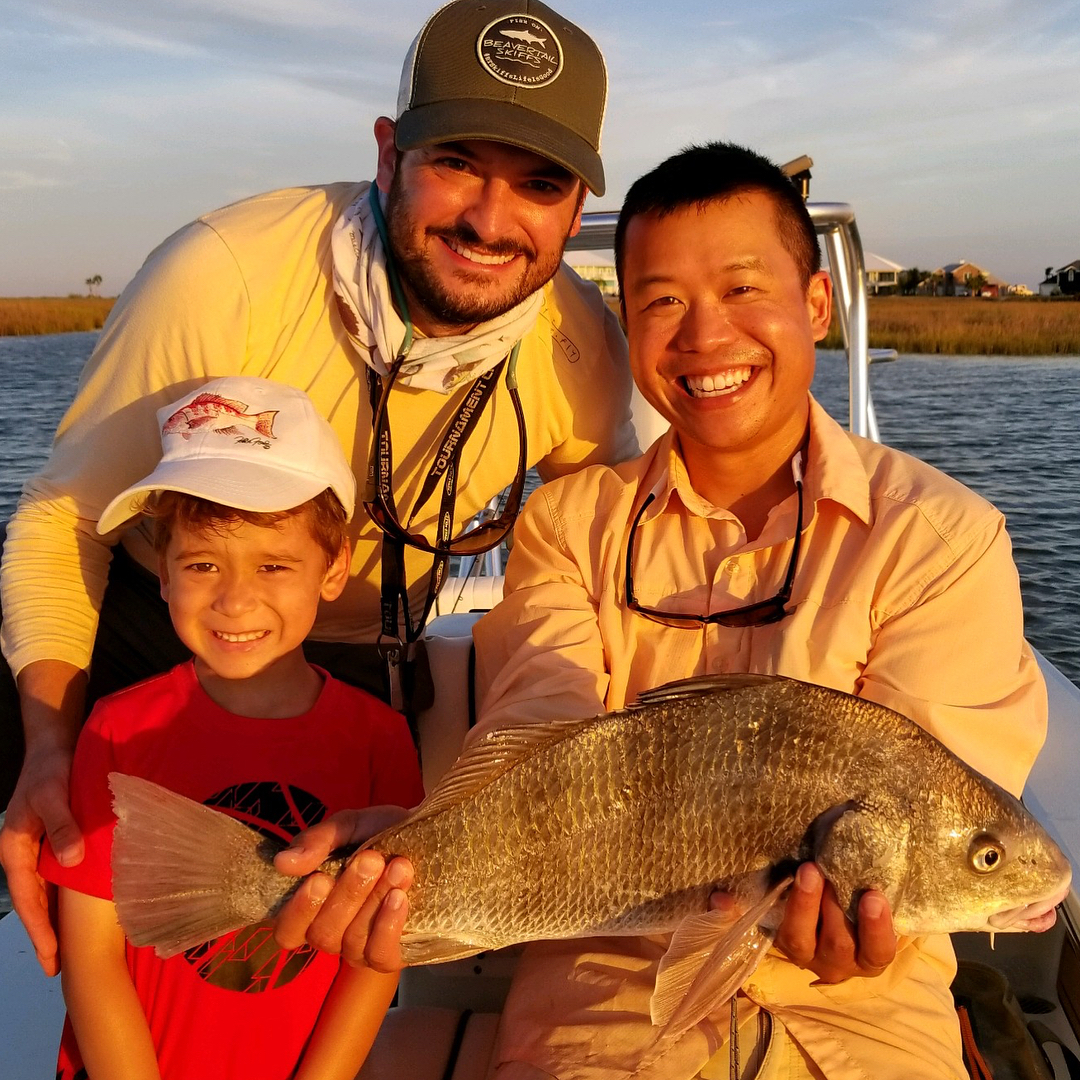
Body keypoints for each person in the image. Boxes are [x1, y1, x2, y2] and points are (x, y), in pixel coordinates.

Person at [0, 0, 637, 975]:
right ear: (389, 155)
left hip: (362, 657)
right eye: (456, 161)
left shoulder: (579, 346)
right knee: (85, 936)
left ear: (575, 209)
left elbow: (608, 556)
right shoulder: (228, 273)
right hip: (152, 620)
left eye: (539, 184)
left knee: (295, 959)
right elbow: (64, 517)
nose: (490, 220)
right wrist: (47, 742)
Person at [460, 142, 1053, 1078]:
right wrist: (403, 862)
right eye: (661, 302)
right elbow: (536, 729)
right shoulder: (568, 524)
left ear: (816, 304)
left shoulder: (941, 535)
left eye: (743, 290)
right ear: (626, 325)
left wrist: (871, 921)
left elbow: (936, 795)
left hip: (865, 1013)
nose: (704, 337)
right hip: (604, 993)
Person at [37, 376, 426, 1080]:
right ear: (161, 570)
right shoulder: (117, 730)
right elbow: (91, 954)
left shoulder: (379, 739)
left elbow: (374, 955)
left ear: (334, 567)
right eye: (202, 564)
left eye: (274, 565)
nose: (236, 598)